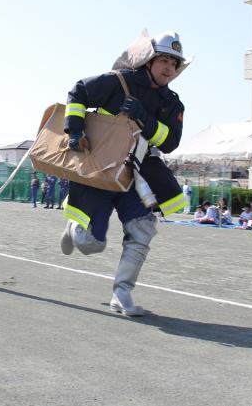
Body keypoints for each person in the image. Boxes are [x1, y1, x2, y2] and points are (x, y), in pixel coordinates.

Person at [59, 30, 189, 316]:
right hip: (102, 172)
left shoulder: (173, 103)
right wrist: (75, 130)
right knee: (92, 244)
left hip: (139, 176)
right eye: (164, 60)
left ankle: (122, 293)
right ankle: (74, 227)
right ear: (148, 60)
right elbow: (78, 91)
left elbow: (169, 142)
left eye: (174, 63)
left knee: (143, 229)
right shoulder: (118, 81)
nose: (169, 67)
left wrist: (145, 117)